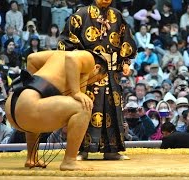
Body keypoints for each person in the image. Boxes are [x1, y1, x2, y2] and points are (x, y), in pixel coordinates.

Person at [57, 0, 137, 161]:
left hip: (111, 71)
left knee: (112, 110)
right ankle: (81, 150)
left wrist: (125, 61)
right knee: (85, 108)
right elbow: (66, 41)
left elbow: (125, 38)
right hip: (88, 71)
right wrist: (82, 61)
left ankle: (111, 150)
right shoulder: (81, 14)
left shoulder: (117, 16)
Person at [4, 50, 105, 170]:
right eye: (98, 79)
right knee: (84, 107)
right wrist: (76, 92)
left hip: (13, 105)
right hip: (28, 108)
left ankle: (32, 158)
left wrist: (36, 89)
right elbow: (71, 58)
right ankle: (70, 161)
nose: (93, 84)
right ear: (97, 68)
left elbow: (31, 58)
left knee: (40, 104)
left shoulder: (57, 55)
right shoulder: (89, 58)